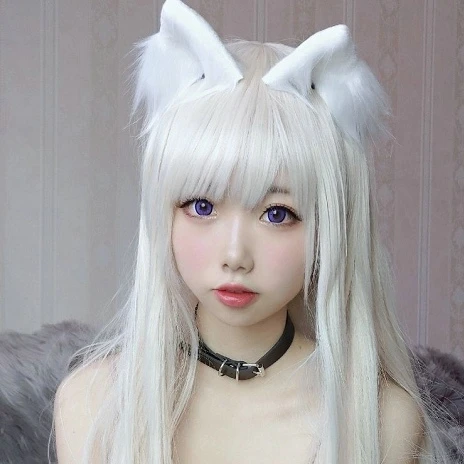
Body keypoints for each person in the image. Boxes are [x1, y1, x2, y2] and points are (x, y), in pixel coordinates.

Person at [52, 0, 454, 462]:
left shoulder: (381, 420)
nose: (235, 255)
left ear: (330, 227)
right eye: (202, 206)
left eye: (277, 214)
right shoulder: (92, 405)